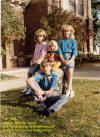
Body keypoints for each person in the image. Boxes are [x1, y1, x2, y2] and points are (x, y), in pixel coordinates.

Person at [22, 29, 48, 94]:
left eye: (40, 36)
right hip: (35, 61)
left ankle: (31, 89)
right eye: (38, 36)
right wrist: (32, 60)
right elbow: (35, 54)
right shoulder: (37, 44)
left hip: (39, 62)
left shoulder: (44, 44)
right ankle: (28, 87)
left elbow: (42, 55)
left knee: (31, 73)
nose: (39, 38)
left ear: (43, 37)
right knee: (29, 73)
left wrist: (35, 61)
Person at [58, 25, 77, 98]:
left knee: (70, 74)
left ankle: (68, 91)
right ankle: (71, 90)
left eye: (68, 31)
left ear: (70, 32)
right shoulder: (61, 41)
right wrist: (62, 60)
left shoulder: (73, 41)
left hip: (70, 58)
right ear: (63, 32)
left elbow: (74, 52)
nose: (66, 32)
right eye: (65, 31)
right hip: (63, 57)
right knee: (67, 76)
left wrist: (70, 60)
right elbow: (59, 52)